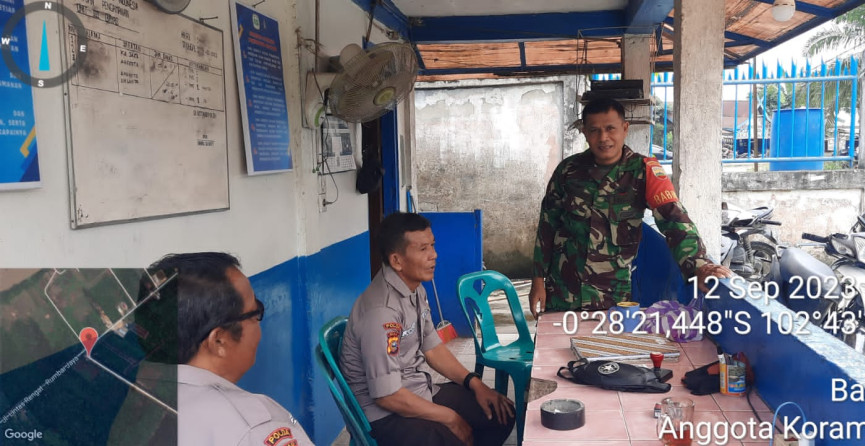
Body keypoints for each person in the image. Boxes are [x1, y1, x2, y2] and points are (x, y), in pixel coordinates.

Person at [530, 98, 732, 315]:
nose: (603, 138)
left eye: (610, 128)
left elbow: (674, 220)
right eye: (594, 130)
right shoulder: (567, 171)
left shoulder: (644, 171)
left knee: (610, 339)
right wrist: (538, 280)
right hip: (563, 292)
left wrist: (699, 265)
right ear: (585, 133)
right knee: (555, 338)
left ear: (625, 129)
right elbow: (547, 227)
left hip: (612, 296)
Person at [340, 212, 514, 446]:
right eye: (423, 249)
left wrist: (475, 384)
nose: (434, 255)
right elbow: (387, 395)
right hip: (384, 415)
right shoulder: (382, 312)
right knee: (454, 436)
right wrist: (451, 418)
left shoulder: (414, 288)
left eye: (432, 245)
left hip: (417, 390)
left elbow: (432, 348)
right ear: (397, 261)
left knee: (501, 413)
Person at [141, 252, 316, 446]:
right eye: (255, 312)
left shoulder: (133, 402)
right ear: (219, 341)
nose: (259, 324)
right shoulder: (253, 427)